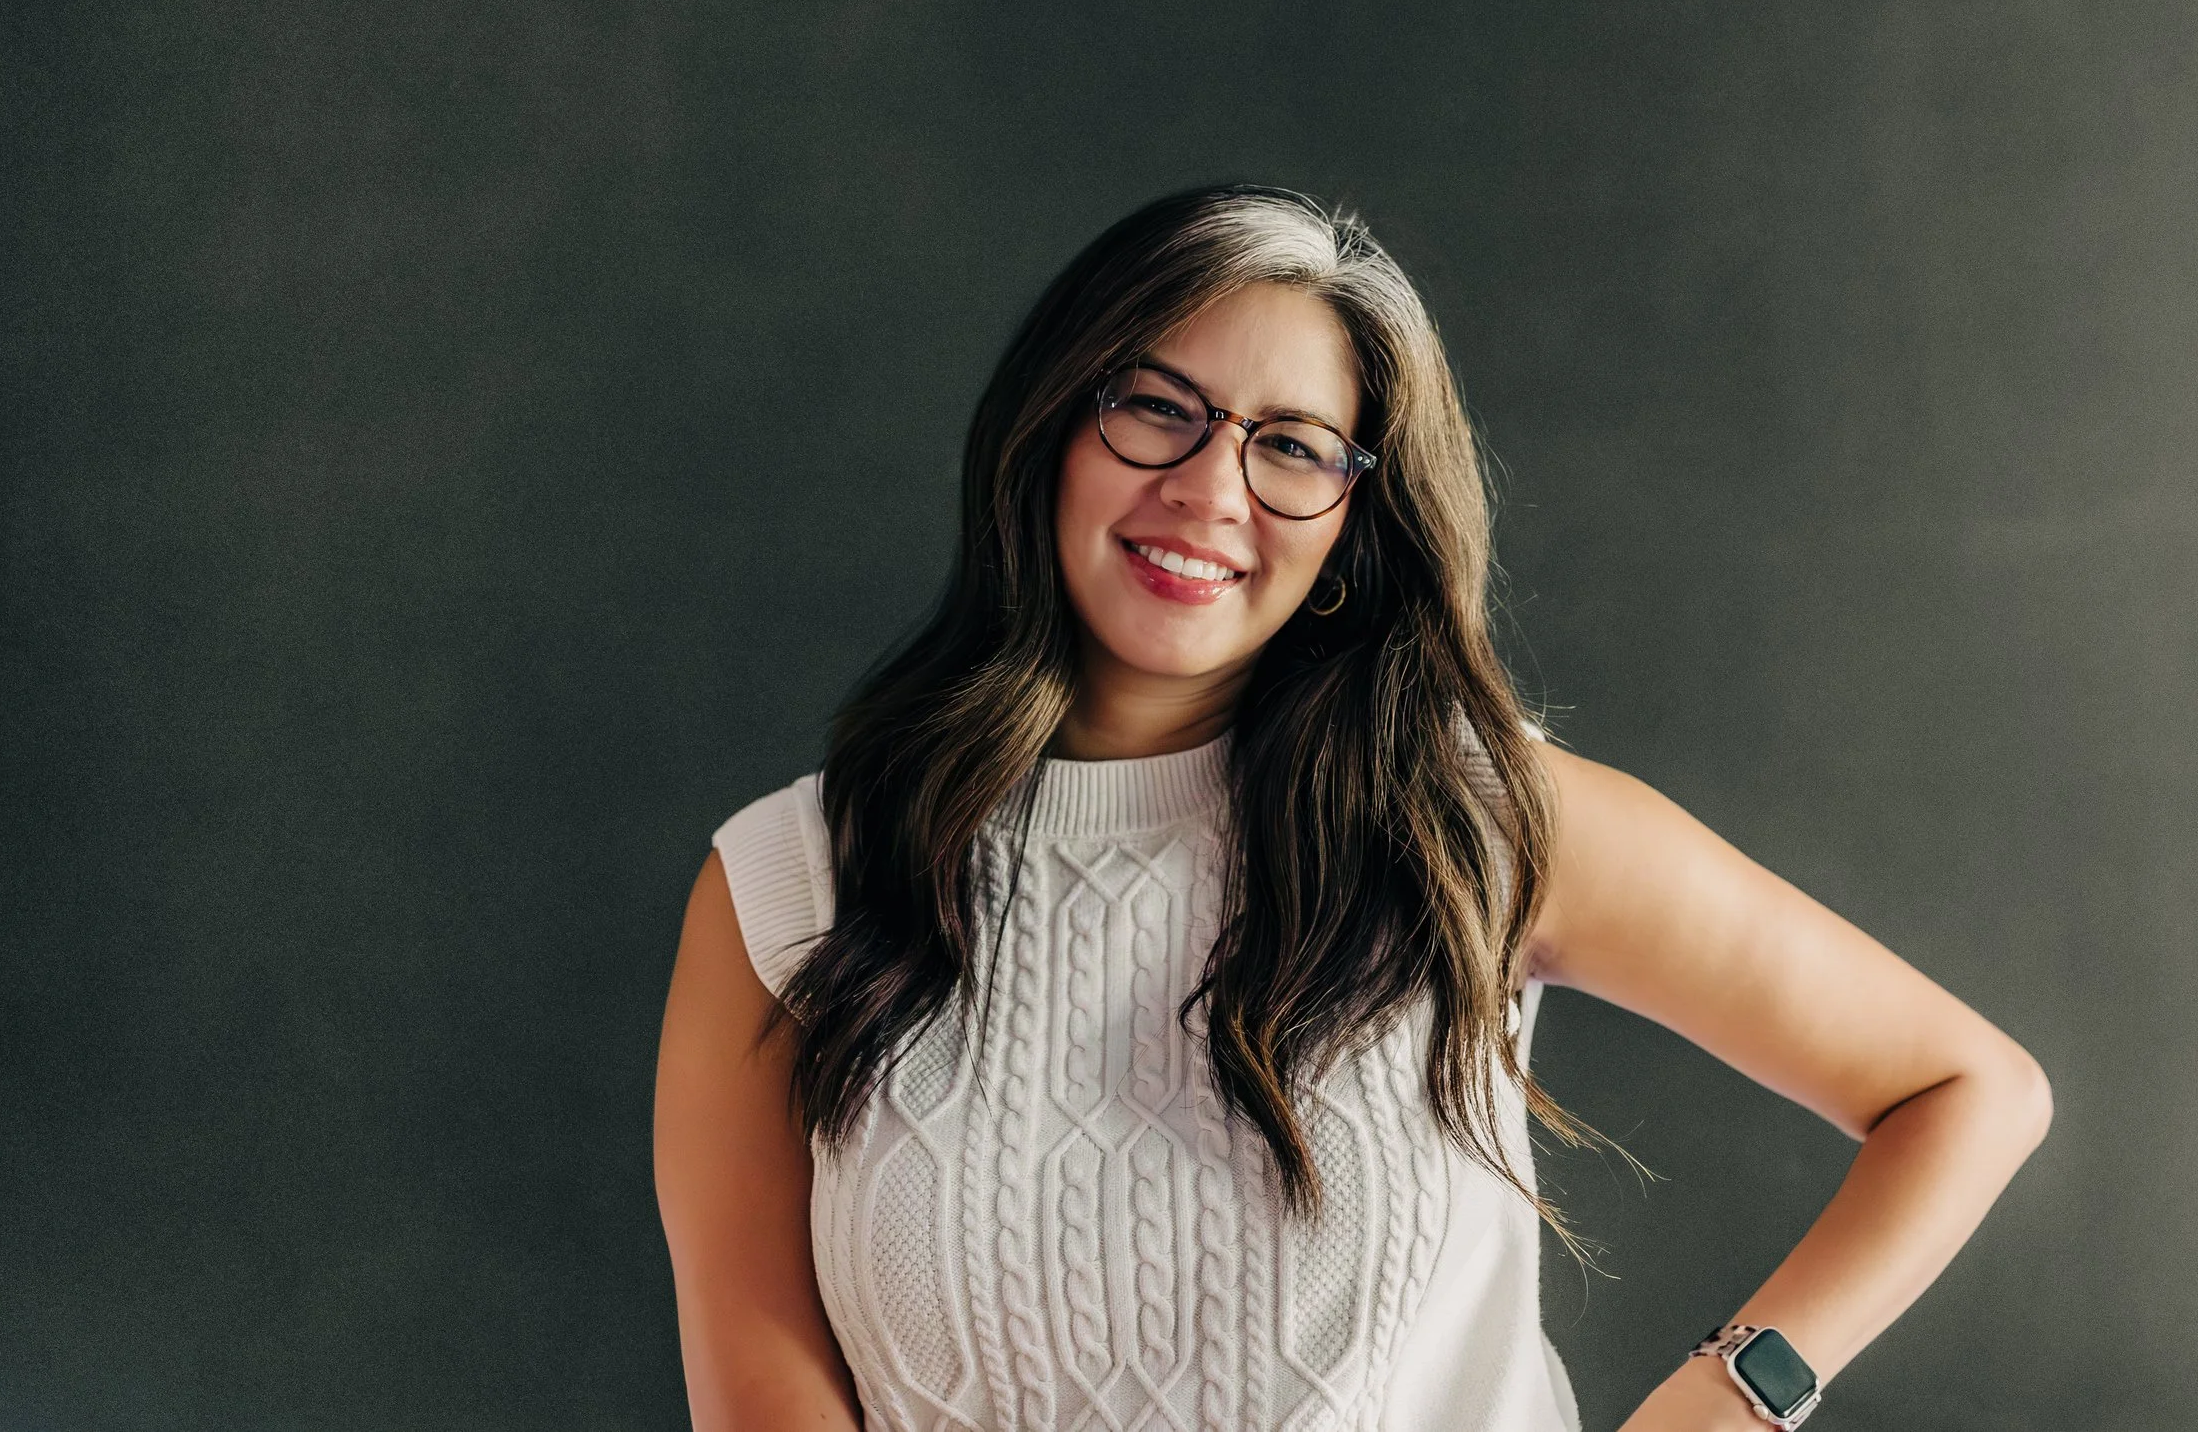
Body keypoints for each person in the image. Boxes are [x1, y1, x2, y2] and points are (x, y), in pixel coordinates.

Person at [652, 184, 2051, 1432]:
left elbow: (1965, 1089)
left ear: (1349, 522)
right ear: (1050, 427)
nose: (1210, 490)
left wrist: (1729, 1402)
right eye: (1158, 407)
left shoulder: (1467, 817)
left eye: (1294, 446)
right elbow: (760, 1387)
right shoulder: (793, 878)